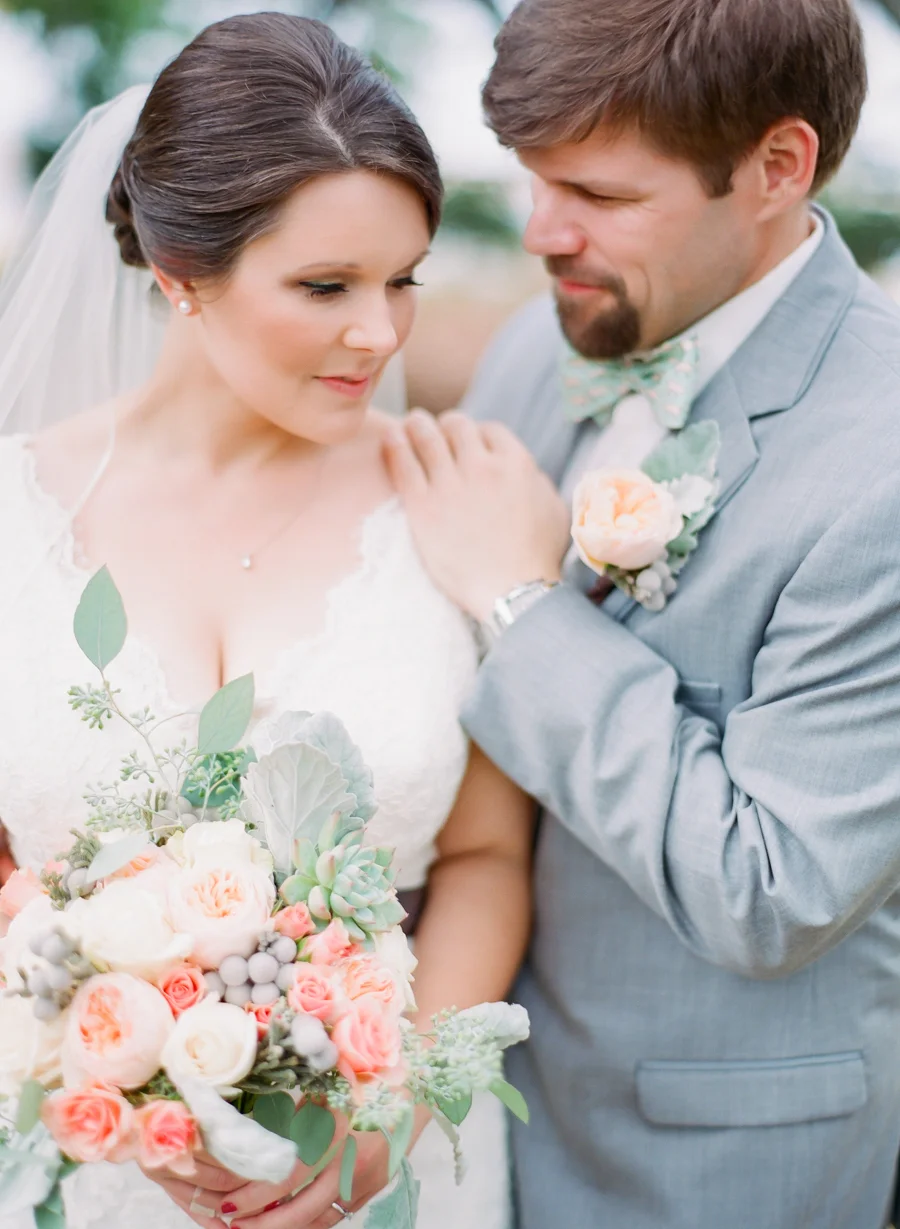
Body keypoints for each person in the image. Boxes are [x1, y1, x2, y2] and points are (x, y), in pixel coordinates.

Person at [0, 14, 534, 1229]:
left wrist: (388, 1117)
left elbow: (489, 858)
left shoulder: (458, 496)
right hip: (91, 1163)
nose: (382, 333)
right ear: (179, 272)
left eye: (404, 278)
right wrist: (104, 1031)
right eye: (326, 286)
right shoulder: (6, 516)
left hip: (389, 1174)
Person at [384, 1, 900, 1226]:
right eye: (532, 179)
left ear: (778, 167)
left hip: (717, 1157)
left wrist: (525, 604)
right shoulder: (530, 349)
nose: (540, 231)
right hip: (475, 1118)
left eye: (602, 196)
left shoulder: (883, 465)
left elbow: (774, 888)